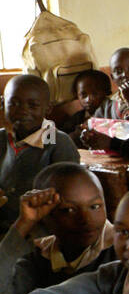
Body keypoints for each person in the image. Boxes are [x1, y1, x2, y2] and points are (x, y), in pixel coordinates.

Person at [0, 163, 113, 294]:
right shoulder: (42, 256)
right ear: (44, 216)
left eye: (95, 206)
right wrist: (24, 223)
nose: (86, 219)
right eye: (69, 210)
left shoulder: (122, 252)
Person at [0, 74, 79, 234]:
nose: (23, 111)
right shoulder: (2, 138)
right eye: (14, 103)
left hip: (39, 230)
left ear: (48, 108)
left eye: (33, 105)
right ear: (2, 104)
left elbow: (69, 196)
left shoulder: (59, 143)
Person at [93, 47, 129, 122]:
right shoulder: (108, 105)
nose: (124, 75)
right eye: (118, 71)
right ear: (112, 77)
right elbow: (94, 126)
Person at [60, 69, 111, 140]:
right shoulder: (77, 118)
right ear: (76, 95)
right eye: (83, 95)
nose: (88, 99)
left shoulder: (112, 113)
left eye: (95, 94)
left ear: (106, 92)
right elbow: (61, 137)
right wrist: (76, 134)